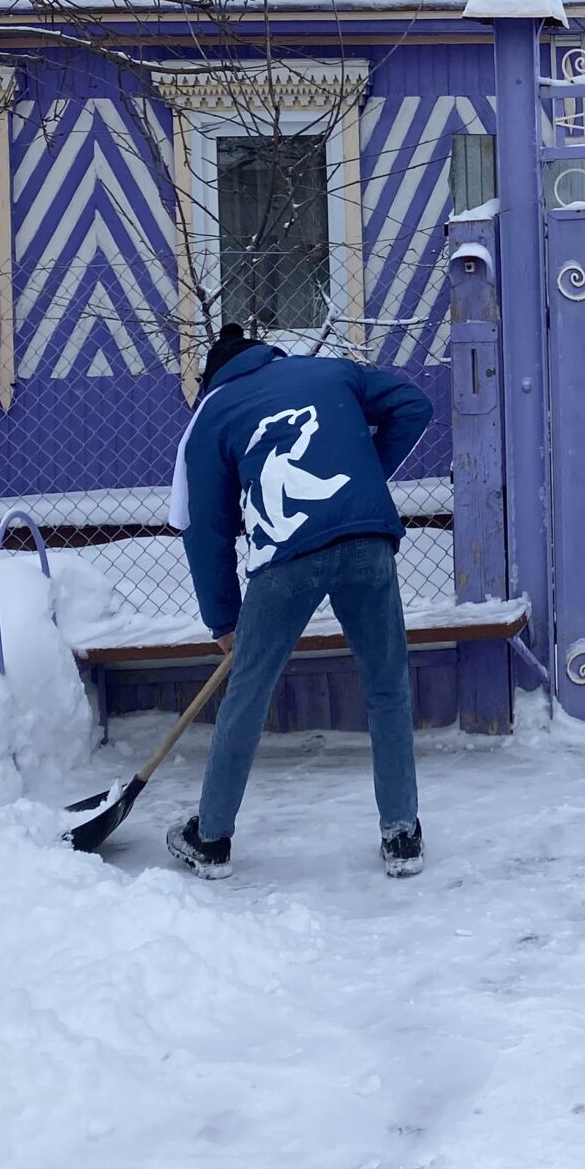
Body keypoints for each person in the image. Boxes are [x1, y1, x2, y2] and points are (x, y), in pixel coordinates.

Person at [165, 323, 436, 880]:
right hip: (368, 542)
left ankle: (211, 838)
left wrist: (222, 619)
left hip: (286, 559)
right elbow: (414, 405)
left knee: (249, 690)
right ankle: (401, 834)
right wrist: (362, 482)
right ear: (270, 355)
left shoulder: (212, 416)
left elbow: (207, 531)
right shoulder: (330, 369)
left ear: (215, 375)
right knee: (386, 687)